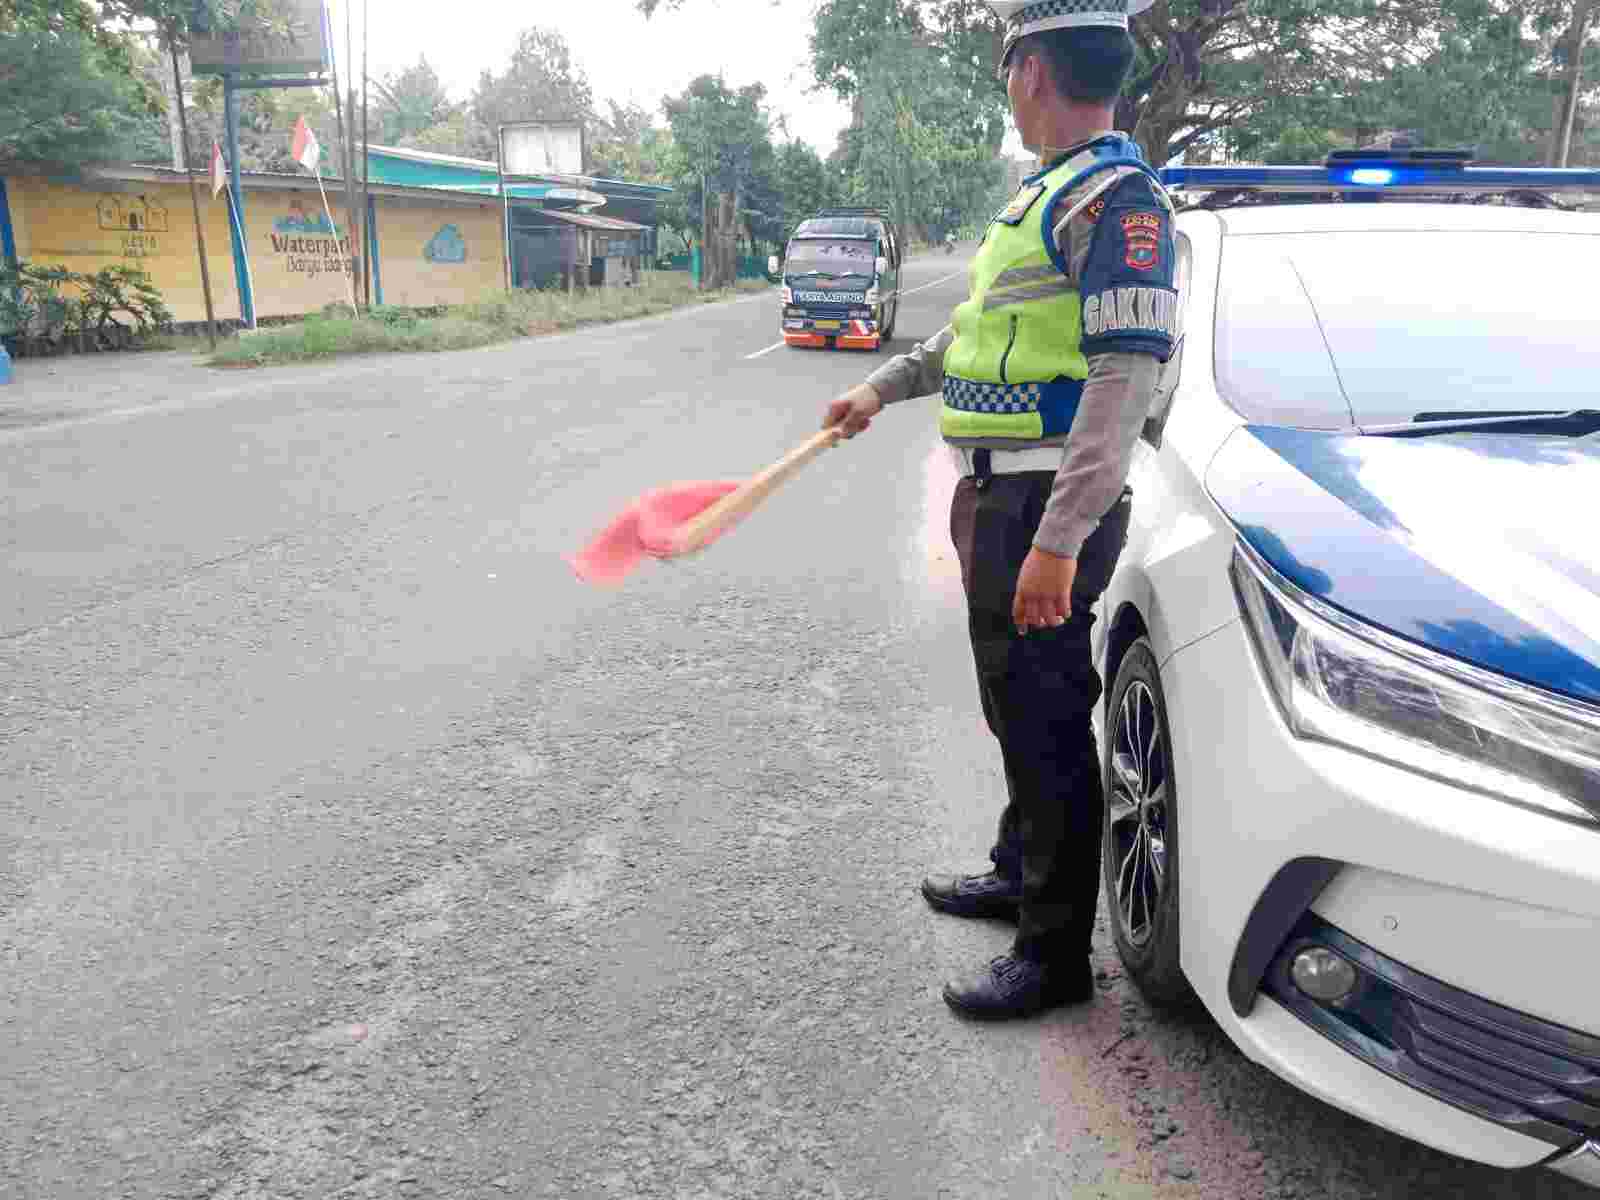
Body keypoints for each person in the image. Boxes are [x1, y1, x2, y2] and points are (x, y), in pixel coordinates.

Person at [821, 0, 1179, 1020]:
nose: (1004, 89)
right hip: (996, 494)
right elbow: (969, 339)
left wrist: (1060, 542)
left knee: (1050, 719)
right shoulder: (1045, 200)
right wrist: (879, 389)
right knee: (1013, 705)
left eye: (1004, 68)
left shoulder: (1118, 202)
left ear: (1030, 70)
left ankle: (1055, 956)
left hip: (1043, 501)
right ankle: (1019, 868)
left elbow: (1122, 379)